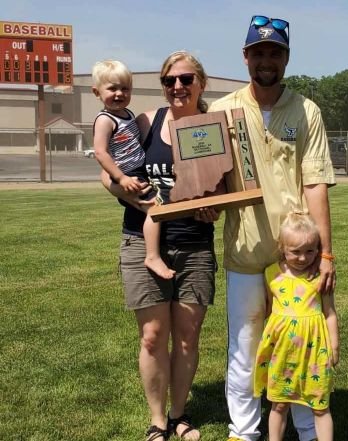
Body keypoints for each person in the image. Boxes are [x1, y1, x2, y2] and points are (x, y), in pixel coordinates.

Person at [209, 14, 337, 441]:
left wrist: (326, 254)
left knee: (302, 344)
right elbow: (208, 178)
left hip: (297, 255)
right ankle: (244, 432)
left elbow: (316, 182)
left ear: (286, 58)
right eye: (259, 52)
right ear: (246, 57)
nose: (267, 60)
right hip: (246, 251)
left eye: (275, 53)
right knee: (246, 347)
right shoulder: (222, 110)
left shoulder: (306, 110)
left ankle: (304, 428)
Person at [101, 51, 217, 441]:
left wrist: (213, 207)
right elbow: (107, 174)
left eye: (186, 79)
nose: (177, 87)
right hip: (140, 239)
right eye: (170, 81)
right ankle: (157, 421)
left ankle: (179, 415)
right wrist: (133, 198)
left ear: (201, 82)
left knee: (187, 335)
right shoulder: (146, 122)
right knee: (152, 335)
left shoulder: (212, 125)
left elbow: (224, 185)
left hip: (194, 243)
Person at [254, 212, 339, 441]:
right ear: (282, 248)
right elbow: (271, 312)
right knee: (279, 403)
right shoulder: (272, 274)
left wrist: (334, 346)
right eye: (296, 252)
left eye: (310, 251)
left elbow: (330, 313)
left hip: (315, 352)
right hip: (283, 352)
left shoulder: (320, 276)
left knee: (320, 404)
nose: (303, 258)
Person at [92, 59, 175, 280]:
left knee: (158, 204)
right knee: (155, 208)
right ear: (96, 92)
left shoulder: (127, 114)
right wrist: (121, 178)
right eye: (112, 88)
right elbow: (101, 153)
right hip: (127, 174)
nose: (119, 93)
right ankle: (152, 256)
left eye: (125, 88)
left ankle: (153, 253)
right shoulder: (104, 120)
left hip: (138, 170)